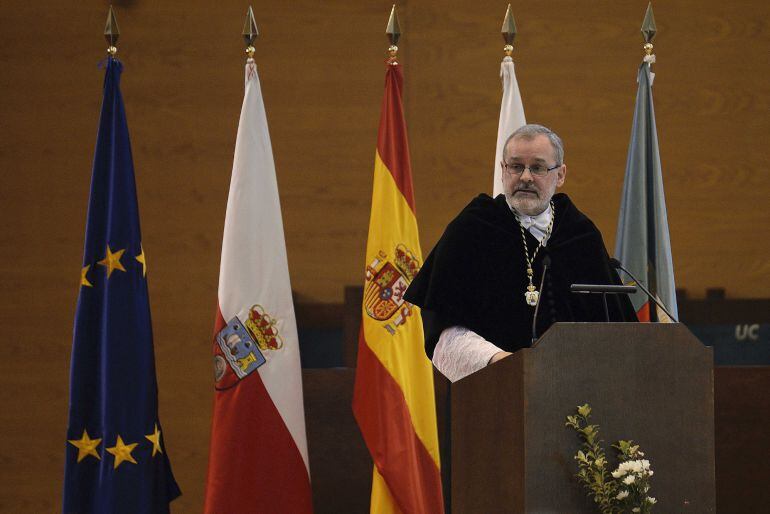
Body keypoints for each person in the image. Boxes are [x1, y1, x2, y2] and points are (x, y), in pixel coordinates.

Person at [404, 124, 637, 382]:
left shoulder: (580, 234)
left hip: (581, 395)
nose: (525, 177)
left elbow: (617, 331)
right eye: (516, 166)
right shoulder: (472, 229)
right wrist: (504, 364)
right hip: (494, 394)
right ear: (503, 171)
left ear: (560, 175)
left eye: (537, 167)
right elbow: (444, 333)